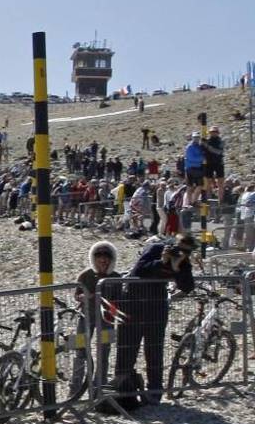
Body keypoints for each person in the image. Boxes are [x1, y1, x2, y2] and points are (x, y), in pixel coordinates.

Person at [117, 233, 196, 406]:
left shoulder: (183, 261)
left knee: (154, 350)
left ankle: (154, 392)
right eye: (180, 249)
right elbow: (138, 271)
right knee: (127, 348)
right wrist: (161, 261)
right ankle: (123, 390)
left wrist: (176, 268)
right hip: (133, 303)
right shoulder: (155, 249)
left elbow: (188, 286)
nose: (182, 253)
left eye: (187, 252)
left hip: (157, 306)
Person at [74, 241, 121, 394]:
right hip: (84, 317)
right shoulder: (85, 275)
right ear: (93, 258)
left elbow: (119, 302)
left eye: (106, 256)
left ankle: (99, 387)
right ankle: (75, 387)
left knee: (104, 352)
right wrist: (82, 296)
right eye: (98, 255)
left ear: (112, 259)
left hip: (107, 321)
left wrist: (109, 305)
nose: (102, 259)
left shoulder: (116, 277)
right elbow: (76, 294)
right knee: (79, 349)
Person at [204, 126, 226, 219]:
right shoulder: (207, 141)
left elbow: (218, 151)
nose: (213, 133)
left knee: (220, 183)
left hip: (218, 163)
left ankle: (220, 201)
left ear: (217, 133)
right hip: (209, 163)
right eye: (211, 132)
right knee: (208, 183)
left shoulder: (221, 141)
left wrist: (207, 146)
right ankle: (208, 202)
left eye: (215, 132)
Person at [184, 132, 205, 204]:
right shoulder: (189, 147)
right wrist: (202, 158)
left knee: (200, 185)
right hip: (191, 168)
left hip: (198, 168)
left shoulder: (199, 146)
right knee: (190, 186)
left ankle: (193, 201)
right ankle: (190, 202)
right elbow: (192, 158)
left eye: (197, 137)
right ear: (192, 138)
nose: (196, 139)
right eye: (195, 137)